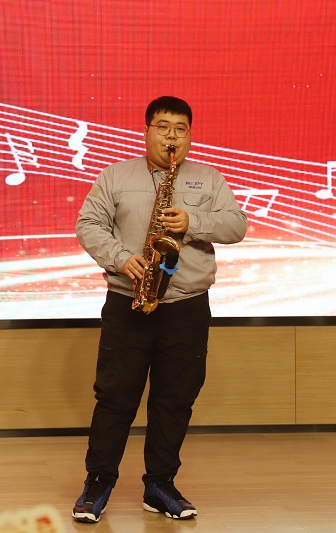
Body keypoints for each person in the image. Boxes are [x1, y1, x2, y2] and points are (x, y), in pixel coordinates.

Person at [71, 96, 248, 523]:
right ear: (147, 130)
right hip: (128, 302)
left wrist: (193, 222)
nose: (172, 137)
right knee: (115, 397)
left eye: (181, 129)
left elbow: (237, 226)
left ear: (190, 135)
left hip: (186, 307)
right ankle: (98, 483)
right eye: (163, 127)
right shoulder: (115, 176)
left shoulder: (209, 178)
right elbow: (88, 224)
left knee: (175, 399)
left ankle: (160, 485)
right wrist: (120, 257)